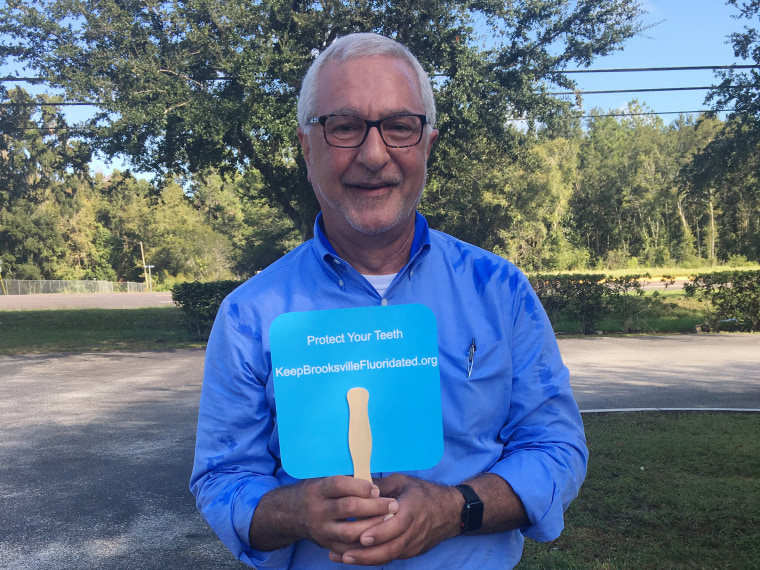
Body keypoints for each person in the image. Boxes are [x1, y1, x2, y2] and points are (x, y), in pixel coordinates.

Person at [190, 32, 588, 569]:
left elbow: (557, 449)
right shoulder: (248, 316)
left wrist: (456, 508)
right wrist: (296, 512)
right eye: (345, 127)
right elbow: (221, 481)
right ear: (308, 149)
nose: (374, 155)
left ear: (427, 144)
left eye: (399, 127)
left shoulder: (501, 291)